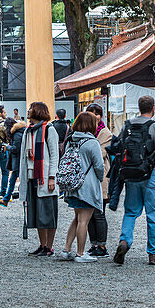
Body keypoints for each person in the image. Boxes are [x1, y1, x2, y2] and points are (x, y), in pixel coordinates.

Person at [111, 95, 155, 266]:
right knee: (154, 214)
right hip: (149, 174)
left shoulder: (127, 126)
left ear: (138, 107)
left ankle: (124, 241)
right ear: (153, 108)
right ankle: (153, 253)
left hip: (130, 174)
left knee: (130, 212)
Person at [57, 111, 106, 263]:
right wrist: (101, 178)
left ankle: (66, 249)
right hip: (87, 186)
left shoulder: (71, 140)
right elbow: (99, 166)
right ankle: (80, 253)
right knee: (84, 220)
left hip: (72, 185)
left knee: (77, 218)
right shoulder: (92, 142)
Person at [21, 102, 59, 257]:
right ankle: (42, 245)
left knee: (48, 213)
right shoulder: (28, 131)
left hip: (44, 177)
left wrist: (52, 177)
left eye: (31, 109)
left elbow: (55, 155)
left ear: (38, 111)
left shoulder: (49, 130)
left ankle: (49, 246)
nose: (28, 111)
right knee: (36, 213)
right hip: (31, 177)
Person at [85, 103, 113, 257]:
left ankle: (102, 246)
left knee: (99, 213)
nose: (94, 117)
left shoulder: (105, 133)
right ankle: (93, 243)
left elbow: (100, 155)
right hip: (87, 178)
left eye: (97, 114)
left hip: (100, 177)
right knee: (88, 214)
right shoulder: (84, 131)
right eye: (90, 113)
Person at [0, 119, 26, 205]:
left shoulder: (16, 135)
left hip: (18, 161)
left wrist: (7, 147)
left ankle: (24, 199)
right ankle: (6, 199)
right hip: (18, 161)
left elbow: (16, 149)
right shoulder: (19, 132)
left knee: (20, 181)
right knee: (13, 180)